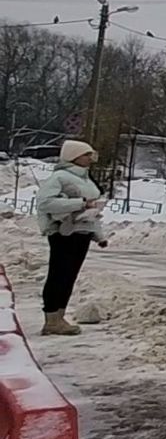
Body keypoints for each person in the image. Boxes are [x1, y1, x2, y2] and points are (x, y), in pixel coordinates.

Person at [34, 139, 109, 337]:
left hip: (82, 233)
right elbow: (46, 203)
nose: (90, 159)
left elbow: (92, 210)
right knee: (59, 274)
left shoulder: (86, 179)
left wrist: (99, 235)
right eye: (86, 155)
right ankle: (51, 319)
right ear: (74, 156)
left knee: (69, 276)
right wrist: (80, 204)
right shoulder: (59, 177)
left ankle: (60, 316)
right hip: (63, 232)